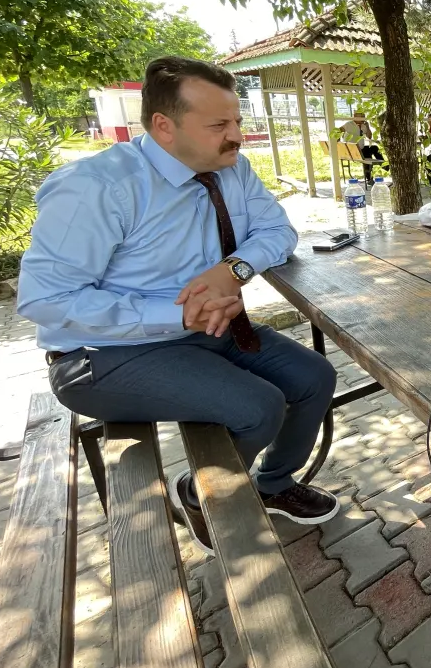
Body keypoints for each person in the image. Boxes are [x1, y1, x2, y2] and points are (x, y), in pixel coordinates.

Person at [17, 56, 340, 554]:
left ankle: (273, 484)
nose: (237, 134)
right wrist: (180, 313)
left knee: (315, 376)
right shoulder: (98, 188)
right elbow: (46, 300)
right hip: (100, 355)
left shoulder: (231, 167)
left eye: (237, 120)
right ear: (164, 127)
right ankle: (200, 493)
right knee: (259, 406)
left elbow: (278, 231)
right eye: (219, 125)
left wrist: (230, 270)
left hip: (199, 335)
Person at [341, 110, 384, 186]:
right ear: (355, 117)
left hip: (361, 148)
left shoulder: (364, 126)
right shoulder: (349, 124)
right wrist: (340, 141)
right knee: (367, 155)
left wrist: (367, 126)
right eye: (361, 117)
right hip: (353, 150)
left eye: (363, 117)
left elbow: (369, 136)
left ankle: (382, 165)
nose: (363, 119)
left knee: (374, 148)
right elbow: (338, 131)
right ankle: (373, 175)